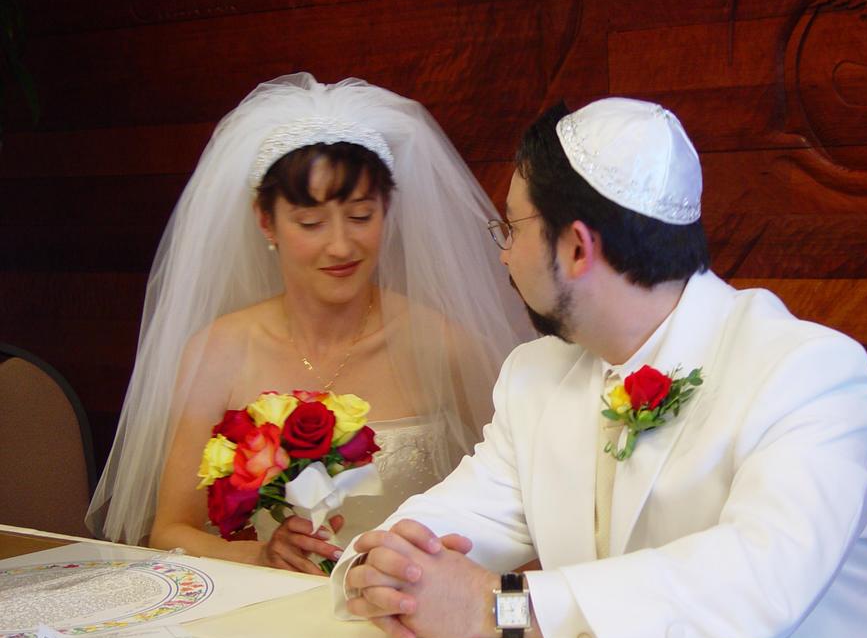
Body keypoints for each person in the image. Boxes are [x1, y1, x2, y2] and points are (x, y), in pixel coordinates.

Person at [334, 97, 867, 638]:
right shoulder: (535, 375)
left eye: (511, 228)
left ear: (577, 247)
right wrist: (379, 568)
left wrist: (500, 608)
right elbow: (459, 516)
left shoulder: (804, 367)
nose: (504, 256)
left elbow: (764, 577)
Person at [85, 74, 532, 574]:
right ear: (266, 221)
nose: (340, 246)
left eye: (360, 216)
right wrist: (258, 554)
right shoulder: (220, 350)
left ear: (386, 211)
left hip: (404, 603)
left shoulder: (441, 343)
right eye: (311, 223)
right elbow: (170, 530)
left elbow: (524, 505)